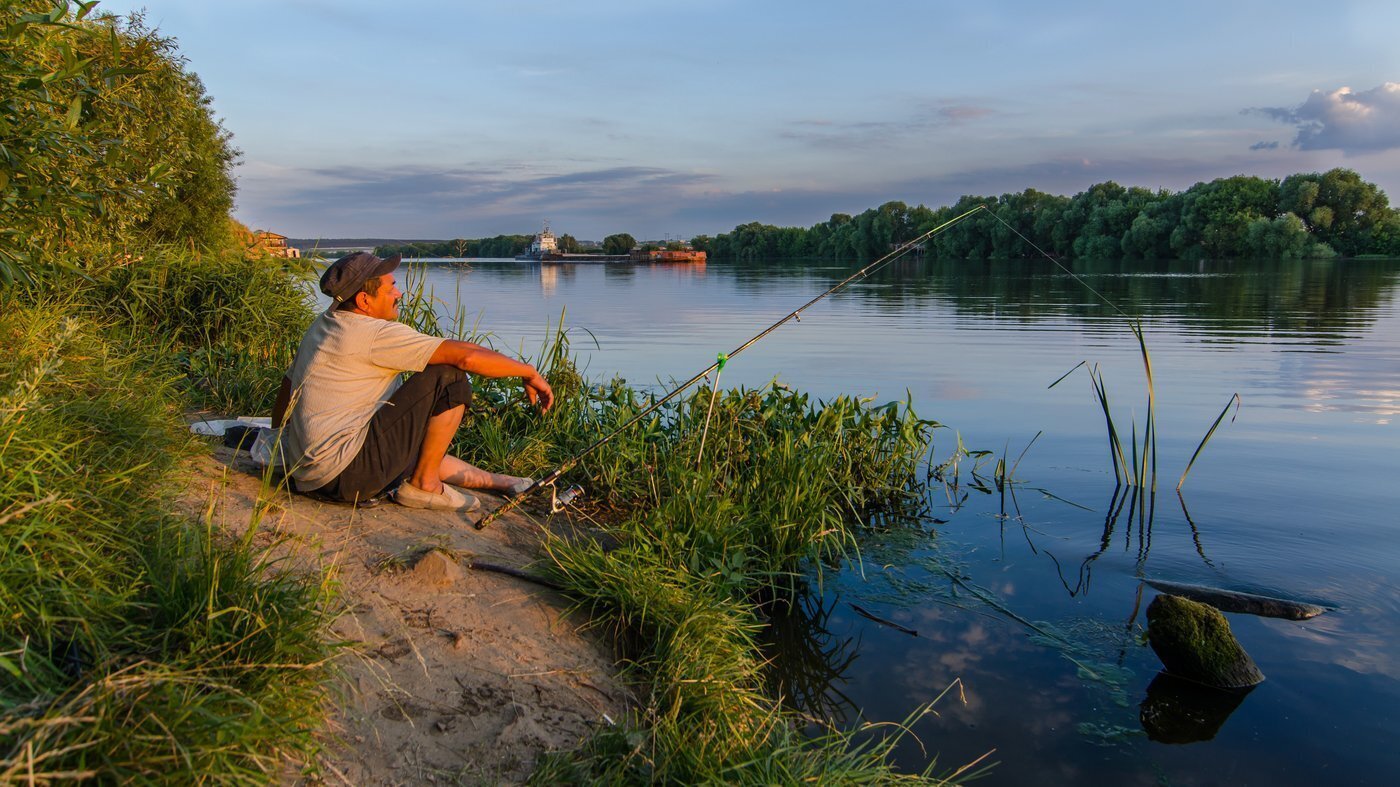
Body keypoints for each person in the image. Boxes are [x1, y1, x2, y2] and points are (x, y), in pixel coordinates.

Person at [271, 251, 553, 511]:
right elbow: (464, 358)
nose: (399, 293)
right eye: (390, 287)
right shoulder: (372, 333)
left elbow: (287, 387)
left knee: (424, 449)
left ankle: (503, 482)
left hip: (311, 473)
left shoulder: (325, 324)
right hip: (348, 477)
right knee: (448, 377)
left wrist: (278, 443)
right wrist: (527, 371)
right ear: (364, 301)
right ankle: (425, 486)